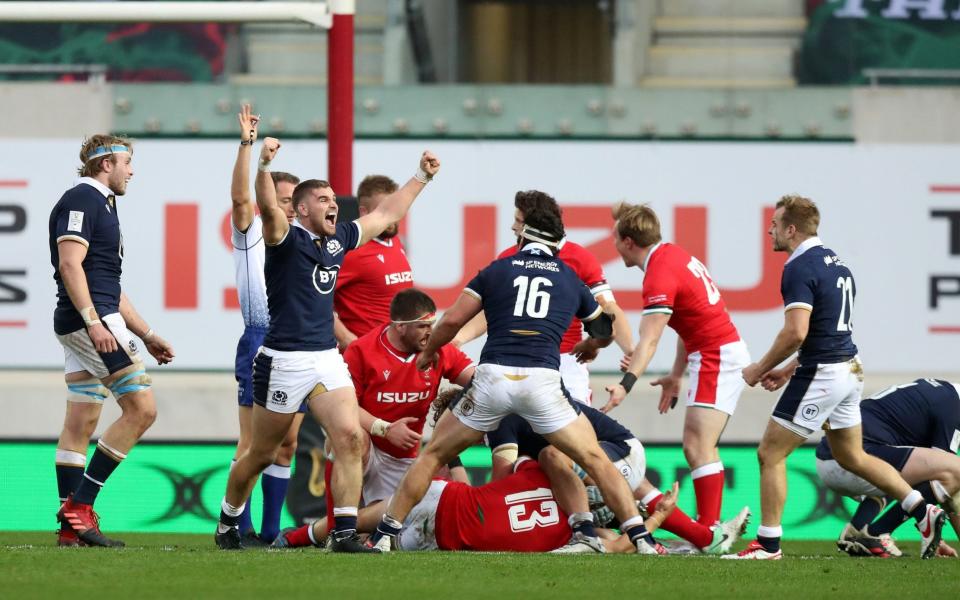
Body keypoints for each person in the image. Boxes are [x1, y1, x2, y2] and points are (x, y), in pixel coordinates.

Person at [368, 195, 660, 555]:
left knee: (432, 456)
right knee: (594, 459)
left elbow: (454, 320)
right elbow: (605, 326)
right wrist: (592, 345)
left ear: (523, 239)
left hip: (493, 379)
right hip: (542, 382)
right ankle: (641, 538)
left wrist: (429, 353)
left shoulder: (499, 268)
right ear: (556, 244)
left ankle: (384, 533)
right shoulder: (570, 277)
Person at [214, 134, 440, 551]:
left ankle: (345, 533)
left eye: (334, 198)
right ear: (301, 209)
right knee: (262, 453)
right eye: (322, 199)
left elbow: (387, 211)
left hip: (324, 358)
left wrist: (420, 177)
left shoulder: (338, 242)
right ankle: (228, 519)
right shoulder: (285, 238)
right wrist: (263, 166)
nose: (333, 203)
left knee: (352, 438)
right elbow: (265, 208)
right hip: (282, 359)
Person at [726, 195, 945, 560]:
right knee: (852, 456)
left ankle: (767, 544)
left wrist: (758, 368)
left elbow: (796, 332)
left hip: (824, 373)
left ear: (791, 229)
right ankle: (923, 511)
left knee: (770, 453)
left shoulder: (798, 267)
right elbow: (825, 331)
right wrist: (785, 370)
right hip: (850, 368)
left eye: (775, 224)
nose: (770, 230)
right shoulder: (838, 264)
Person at [50, 135, 175, 547]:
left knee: (81, 421)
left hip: (93, 319)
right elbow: (70, 265)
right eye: (127, 162)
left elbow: (109, 284)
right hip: (92, 323)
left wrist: (148, 334)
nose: (132, 171)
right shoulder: (82, 200)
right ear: (106, 165)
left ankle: (72, 531)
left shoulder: (103, 204)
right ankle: (80, 506)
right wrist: (93, 322)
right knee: (141, 409)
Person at [605, 202, 750, 529]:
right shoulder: (673, 255)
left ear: (628, 242)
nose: (613, 247)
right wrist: (675, 373)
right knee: (698, 445)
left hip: (716, 356)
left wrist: (625, 384)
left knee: (698, 445)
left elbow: (650, 340)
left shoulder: (658, 274)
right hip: (713, 353)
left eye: (615, 239)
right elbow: (687, 323)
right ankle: (708, 530)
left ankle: (709, 532)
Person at [486, 398, 749, 555]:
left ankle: (591, 530)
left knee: (554, 459)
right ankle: (704, 538)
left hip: (619, 452)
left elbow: (500, 484)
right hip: (619, 451)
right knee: (610, 500)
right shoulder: (524, 404)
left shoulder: (501, 420)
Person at [274, 458, 681, 553]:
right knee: (378, 529)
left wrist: (594, 460)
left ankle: (298, 537)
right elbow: (619, 545)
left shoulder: (546, 468)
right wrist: (656, 515)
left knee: (369, 515)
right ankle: (314, 537)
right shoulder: (584, 537)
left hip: (446, 499)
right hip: (451, 538)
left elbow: (552, 457)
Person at [453, 191, 633, 405]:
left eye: (518, 221)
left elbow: (607, 307)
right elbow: (491, 313)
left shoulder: (579, 258)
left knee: (571, 435)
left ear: (534, 227)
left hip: (565, 362)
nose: (513, 227)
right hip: (514, 360)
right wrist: (458, 340)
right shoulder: (508, 257)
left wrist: (631, 351)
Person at [318, 288, 474, 529]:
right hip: (370, 450)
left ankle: (315, 533)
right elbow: (345, 407)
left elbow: (477, 381)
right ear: (400, 326)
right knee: (345, 436)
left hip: (406, 458)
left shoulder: (437, 349)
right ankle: (334, 528)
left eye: (432, 324)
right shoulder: (361, 350)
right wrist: (384, 429)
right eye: (423, 326)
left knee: (444, 490)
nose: (430, 331)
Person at [227, 104, 305, 545]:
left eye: (294, 200)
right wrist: (251, 148)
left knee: (288, 443)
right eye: (281, 198)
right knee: (254, 443)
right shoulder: (252, 230)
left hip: (301, 343)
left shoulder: (307, 240)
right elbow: (240, 199)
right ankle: (239, 525)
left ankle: (272, 531)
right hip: (261, 336)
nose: (287, 207)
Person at [815, 378, 960, 558]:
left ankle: (858, 529)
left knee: (909, 472)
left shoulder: (937, 393)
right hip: (853, 460)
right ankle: (876, 533)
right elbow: (951, 479)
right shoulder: (953, 407)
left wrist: (939, 539)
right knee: (954, 469)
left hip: (828, 461)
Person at [333, 175, 414, 348]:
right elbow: (314, 297)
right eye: (384, 210)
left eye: (395, 208)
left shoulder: (395, 242)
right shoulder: (351, 251)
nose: (391, 215)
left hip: (398, 353)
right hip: (367, 360)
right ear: (364, 212)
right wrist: (347, 338)